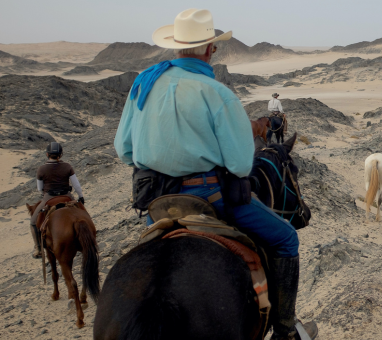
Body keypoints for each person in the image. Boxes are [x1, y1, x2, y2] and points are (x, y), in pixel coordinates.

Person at [113, 9, 317, 340]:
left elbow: (123, 150)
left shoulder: (143, 84)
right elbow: (239, 166)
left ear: (176, 47)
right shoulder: (217, 94)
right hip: (209, 198)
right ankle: (284, 330)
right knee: (285, 239)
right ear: (210, 49)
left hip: (158, 204)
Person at [30, 142, 85, 258]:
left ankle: (38, 249)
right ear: (60, 155)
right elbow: (76, 185)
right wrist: (80, 196)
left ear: (47, 154)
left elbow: (40, 188)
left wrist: (44, 195)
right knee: (84, 215)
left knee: (33, 222)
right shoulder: (67, 166)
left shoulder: (41, 169)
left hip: (49, 197)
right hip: (67, 196)